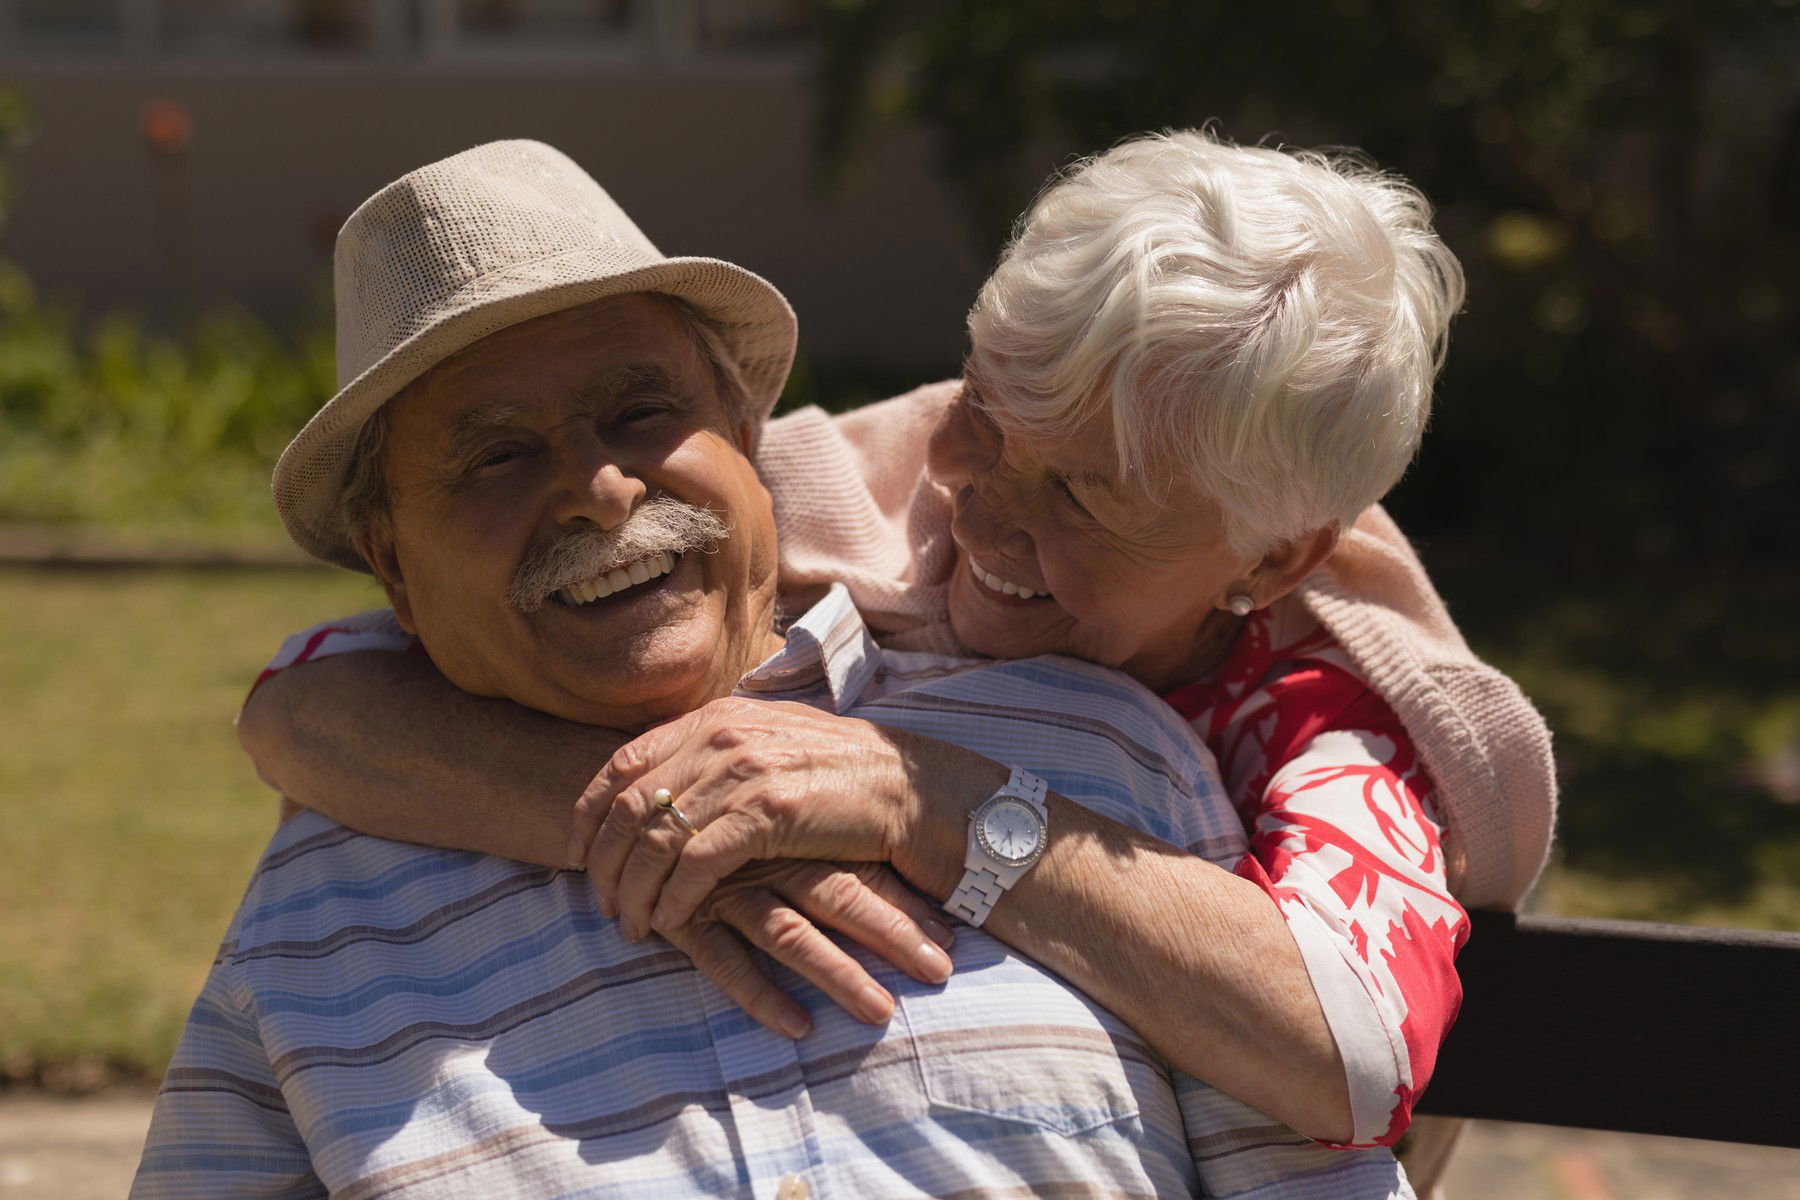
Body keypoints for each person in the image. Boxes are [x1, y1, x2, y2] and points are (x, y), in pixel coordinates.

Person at [239, 132, 1557, 1183]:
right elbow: (311, 705)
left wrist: (925, 800)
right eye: (983, 414)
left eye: (1083, 502)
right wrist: (643, 823)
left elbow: (1351, 1059)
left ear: (1269, 563)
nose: (981, 511)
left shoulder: (1316, 716)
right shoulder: (853, 492)